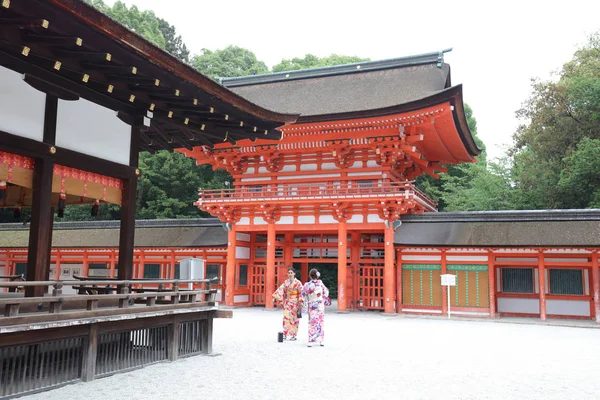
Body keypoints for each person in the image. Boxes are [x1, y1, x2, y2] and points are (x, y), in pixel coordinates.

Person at [272, 268, 304, 341]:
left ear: (294, 274)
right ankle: (285, 333)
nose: (290, 274)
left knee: (294, 319)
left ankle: (293, 335)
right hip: (287, 302)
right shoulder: (286, 282)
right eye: (289, 273)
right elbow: (281, 290)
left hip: (295, 303)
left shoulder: (298, 283)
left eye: (291, 273)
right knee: (286, 318)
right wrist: (275, 297)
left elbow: (301, 293)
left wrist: (301, 301)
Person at [301, 268, 329, 347]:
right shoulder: (320, 283)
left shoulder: (307, 284)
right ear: (317, 276)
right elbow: (326, 292)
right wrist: (322, 297)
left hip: (312, 304)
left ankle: (311, 340)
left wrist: (306, 299)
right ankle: (321, 340)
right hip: (320, 304)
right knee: (320, 322)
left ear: (309, 276)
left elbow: (303, 294)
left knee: (312, 322)